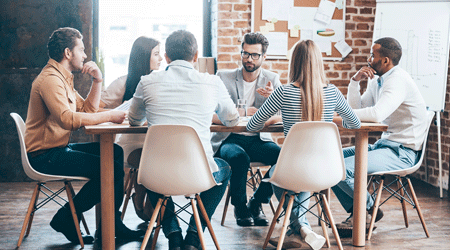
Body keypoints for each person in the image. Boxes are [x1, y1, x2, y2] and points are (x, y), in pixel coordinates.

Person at [24, 27, 144, 244]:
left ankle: (110, 223)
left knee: (114, 152)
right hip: (44, 156)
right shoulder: (50, 79)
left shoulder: (63, 78)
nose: (86, 55)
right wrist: (109, 115)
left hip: (57, 149)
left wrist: (97, 81)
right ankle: (67, 217)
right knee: (112, 169)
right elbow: (68, 119)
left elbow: (87, 110)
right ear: (68, 53)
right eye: (81, 49)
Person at [128, 30, 239, 250]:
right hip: (200, 174)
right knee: (224, 168)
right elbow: (232, 119)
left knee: (147, 169)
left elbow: (133, 120)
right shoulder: (212, 82)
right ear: (196, 56)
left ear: (167, 57)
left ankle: (173, 234)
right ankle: (194, 237)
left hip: (157, 173)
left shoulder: (147, 81)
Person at [247, 40, 361, 250]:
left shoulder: (283, 93)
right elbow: (355, 123)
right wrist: (328, 120)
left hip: (293, 170)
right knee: (305, 175)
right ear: (319, 63)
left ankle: (297, 229)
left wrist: (278, 115)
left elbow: (253, 125)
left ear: (294, 63)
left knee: (277, 173)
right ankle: (301, 228)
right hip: (326, 170)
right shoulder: (333, 93)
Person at [331, 37, 428, 233]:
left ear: (385, 60)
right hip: (384, 146)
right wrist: (354, 82)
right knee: (329, 160)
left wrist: (338, 118)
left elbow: (376, 115)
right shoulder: (378, 80)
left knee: (339, 169)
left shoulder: (398, 80)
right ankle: (364, 212)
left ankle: (367, 209)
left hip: (403, 152)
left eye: (372, 55)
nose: (368, 59)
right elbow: (357, 109)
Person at [211, 32, 282, 227]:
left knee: (284, 157)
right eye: (245, 54)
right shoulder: (223, 78)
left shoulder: (272, 79)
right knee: (239, 158)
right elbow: (212, 112)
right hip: (230, 138)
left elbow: (285, 112)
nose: (249, 59)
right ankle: (240, 207)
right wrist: (243, 111)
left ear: (264, 57)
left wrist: (275, 97)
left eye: (254, 55)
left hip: (258, 139)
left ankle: (257, 202)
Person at [100, 36, 163, 222]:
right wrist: (117, 114)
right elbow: (96, 108)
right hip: (130, 144)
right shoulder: (123, 82)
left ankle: (142, 199)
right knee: (150, 158)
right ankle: (146, 201)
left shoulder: (161, 82)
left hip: (155, 143)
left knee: (158, 156)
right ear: (144, 57)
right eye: (157, 54)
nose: (161, 59)